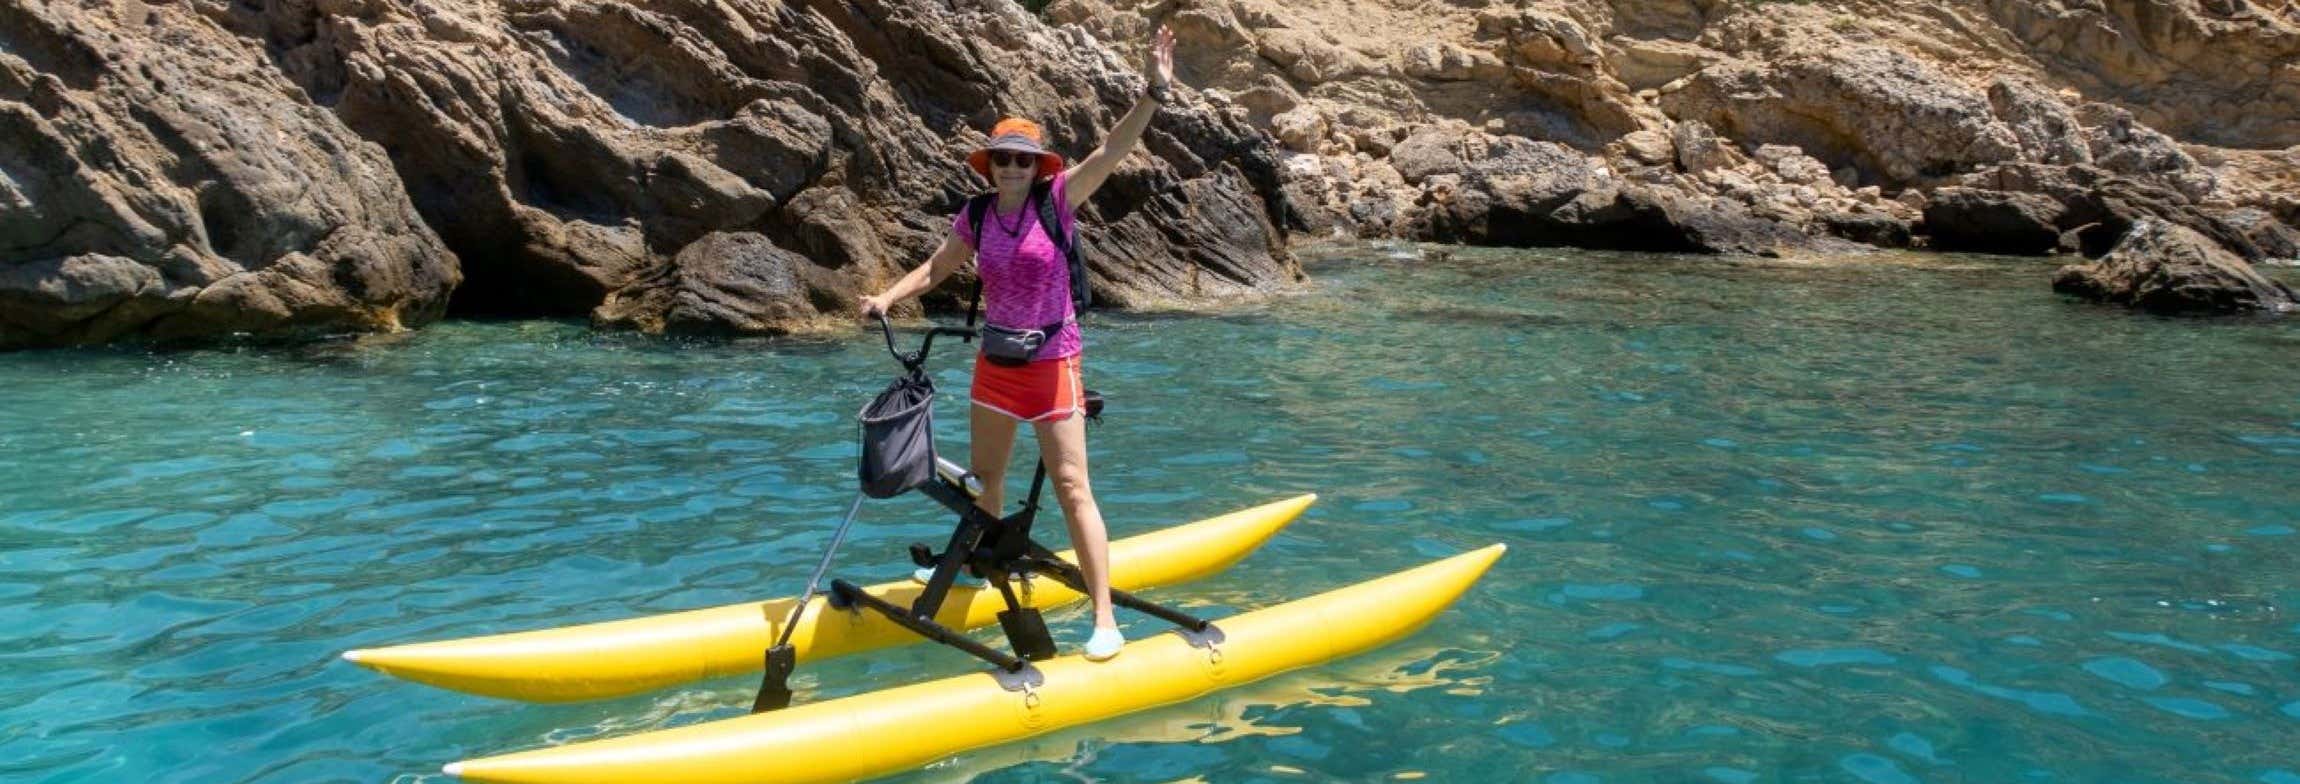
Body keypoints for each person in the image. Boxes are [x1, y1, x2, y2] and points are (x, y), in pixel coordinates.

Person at [858, 27, 1178, 661]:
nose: (1011, 167)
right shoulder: (976, 215)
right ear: (990, 164)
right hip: (996, 367)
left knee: (1072, 487)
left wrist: (1153, 93)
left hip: (1055, 363)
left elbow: (1113, 149)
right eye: (1002, 158)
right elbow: (939, 266)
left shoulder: (1058, 200)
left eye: (1022, 159)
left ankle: (1105, 615)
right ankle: (983, 564)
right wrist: (889, 298)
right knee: (986, 482)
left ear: (1038, 166)